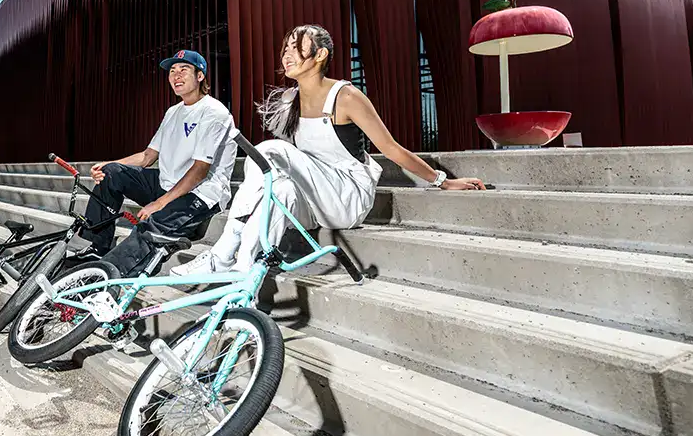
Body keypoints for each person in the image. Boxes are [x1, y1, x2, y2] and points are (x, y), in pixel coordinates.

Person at [173, 24, 485, 276]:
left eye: (296, 48)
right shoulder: (290, 100)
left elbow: (390, 148)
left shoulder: (345, 96)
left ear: (320, 54)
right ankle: (243, 272)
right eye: (285, 49)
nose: (287, 55)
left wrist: (442, 181)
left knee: (269, 151)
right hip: (315, 198)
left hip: (347, 196)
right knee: (279, 189)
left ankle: (223, 252)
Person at [80, 49, 237, 276]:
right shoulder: (173, 112)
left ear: (200, 76)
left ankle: (105, 277)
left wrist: (159, 204)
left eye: (183, 70)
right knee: (112, 173)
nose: (176, 76)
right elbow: (147, 157)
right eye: (172, 71)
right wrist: (107, 164)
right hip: (167, 184)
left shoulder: (214, 112)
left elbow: (200, 171)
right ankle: (98, 246)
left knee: (149, 230)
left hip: (201, 194)